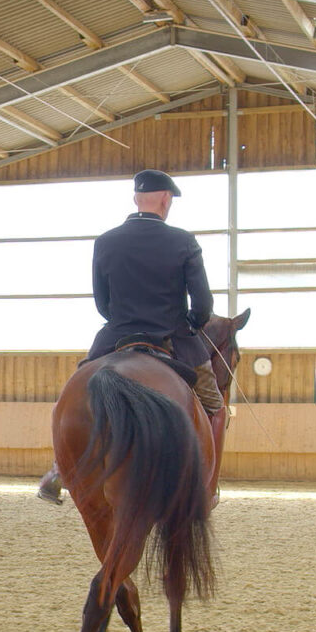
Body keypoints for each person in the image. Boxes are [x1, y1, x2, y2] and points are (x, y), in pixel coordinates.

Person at [38, 169, 223, 504]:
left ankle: (58, 468)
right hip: (173, 335)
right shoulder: (183, 240)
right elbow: (202, 304)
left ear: (136, 198)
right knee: (214, 404)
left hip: (117, 334)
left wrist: (122, 319)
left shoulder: (106, 241)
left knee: (73, 393)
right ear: (165, 200)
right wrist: (193, 323)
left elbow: (102, 302)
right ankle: (208, 487)